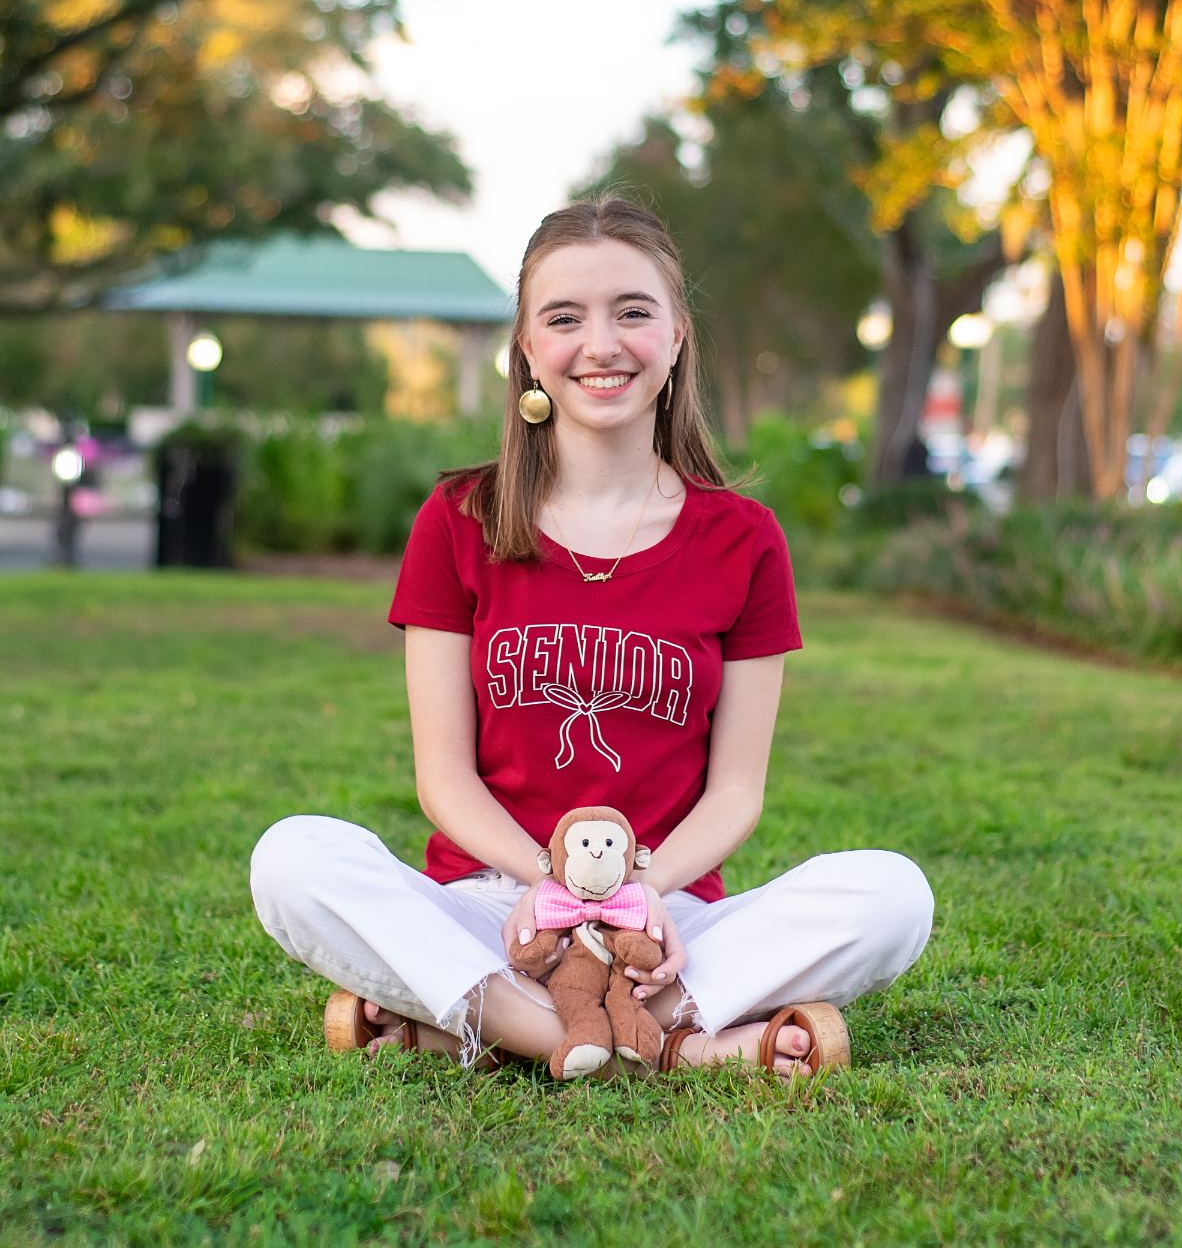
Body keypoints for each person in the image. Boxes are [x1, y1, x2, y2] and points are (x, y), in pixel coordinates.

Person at [250, 197, 934, 1077]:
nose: (600, 345)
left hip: (667, 914)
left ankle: (488, 1020)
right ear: (529, 348)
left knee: (892, 895)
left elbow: (735, 794)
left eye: (633, 312)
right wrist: (546, 890)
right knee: (294, 857)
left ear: (678, 334)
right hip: (494, 905)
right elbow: (444, 777)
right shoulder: (460, 519)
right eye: (564, 318)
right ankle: (639, 1043)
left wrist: (639, 896)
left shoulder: (745, 538)